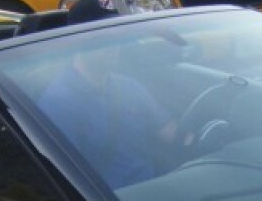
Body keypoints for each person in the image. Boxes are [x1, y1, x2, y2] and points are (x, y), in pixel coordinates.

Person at [36, 25, 177, 189]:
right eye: (103, 40)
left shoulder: (129, 86)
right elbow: (63, 177)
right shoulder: (57, 102)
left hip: (153, 191)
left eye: (116, 39)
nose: (113, 47)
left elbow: (171, 134)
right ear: (77, 43)